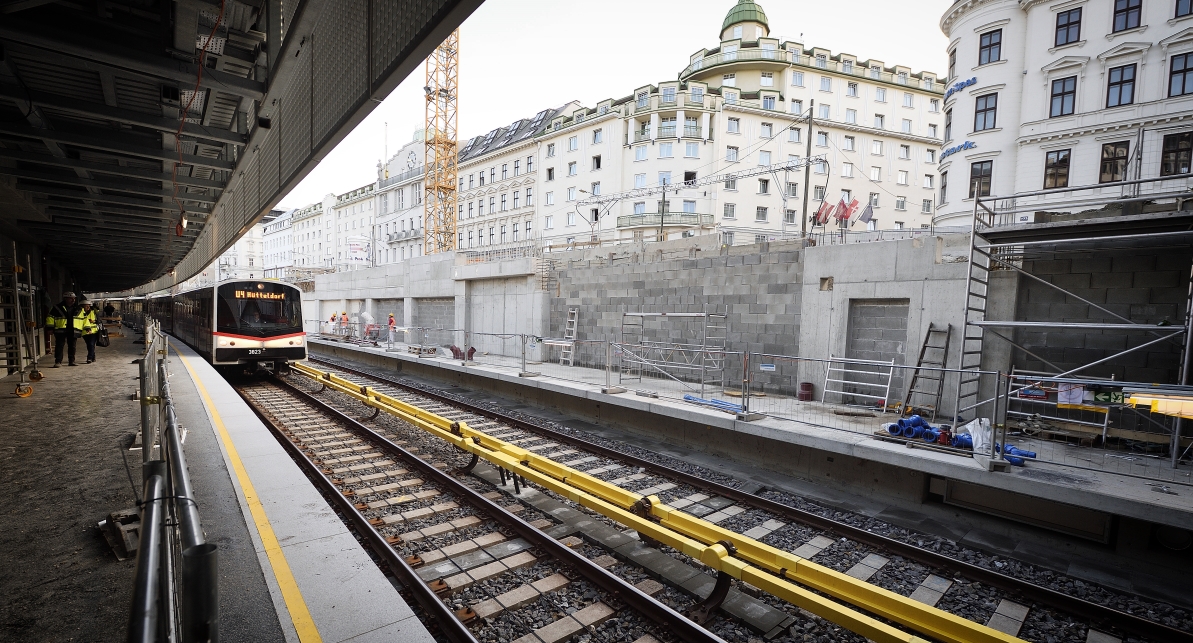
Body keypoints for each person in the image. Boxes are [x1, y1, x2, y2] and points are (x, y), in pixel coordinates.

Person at [46, 292, 82, 367]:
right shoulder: (57, 308)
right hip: (60, 330)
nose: (73, 300)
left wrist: (86, 328)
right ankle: (58, 361)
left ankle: (71, 361)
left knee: (72, 346)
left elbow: (83, 319)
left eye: (74, 298)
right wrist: (50, 328)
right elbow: (50, 318)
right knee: (59, 346)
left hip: (73, 330)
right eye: (71, 298)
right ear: (65, 299)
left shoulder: (78, 308)